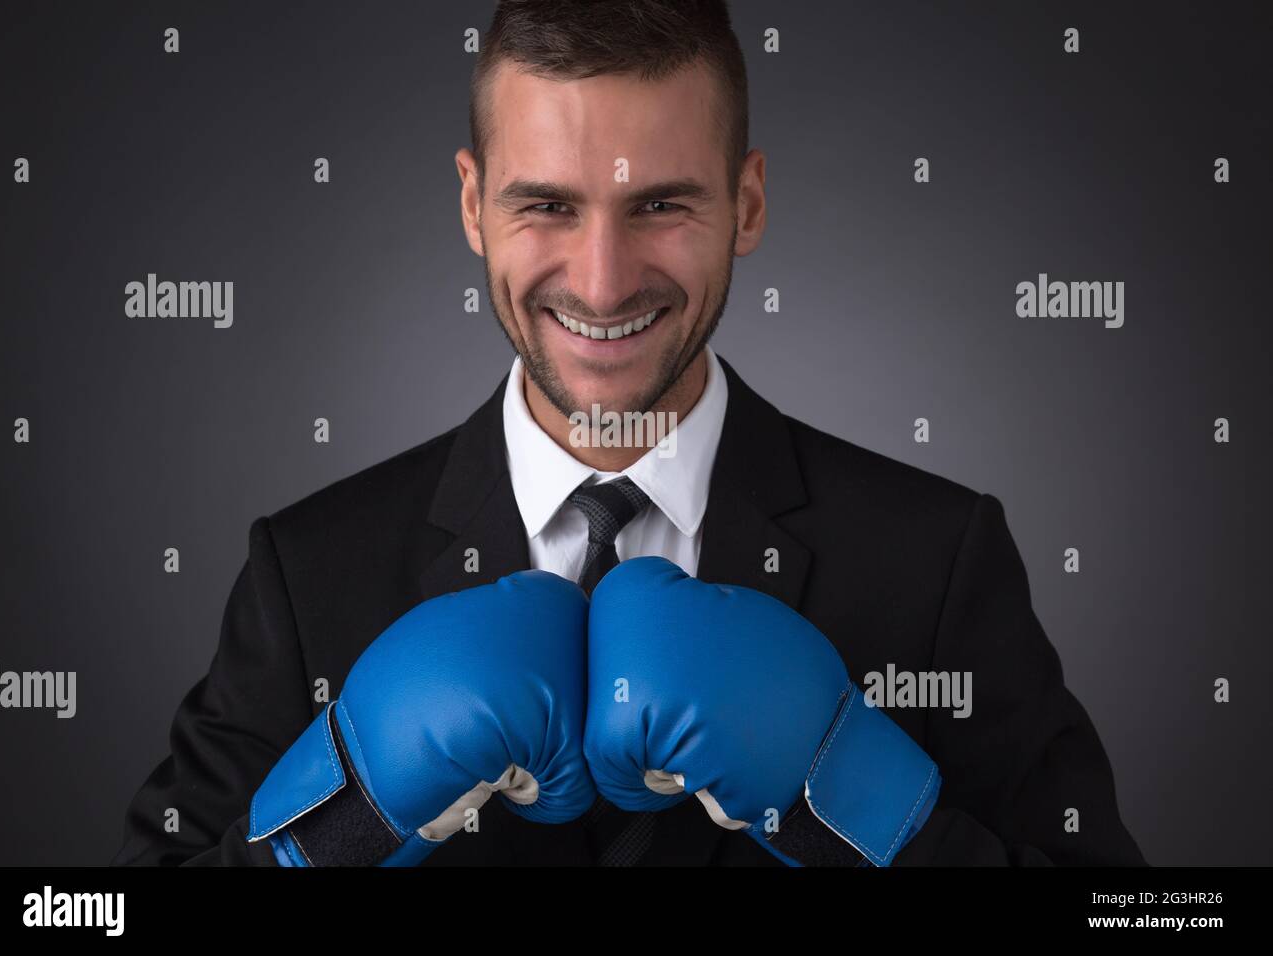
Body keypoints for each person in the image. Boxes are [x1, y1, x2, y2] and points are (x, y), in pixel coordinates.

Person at [114, 0, 1145, 867]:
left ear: (745, 204)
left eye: (659, 203)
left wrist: (858, 798)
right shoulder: (308, 570)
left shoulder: (935, 557)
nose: (602, 281)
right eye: (547, 205)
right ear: (473, 205)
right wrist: (341, 816)